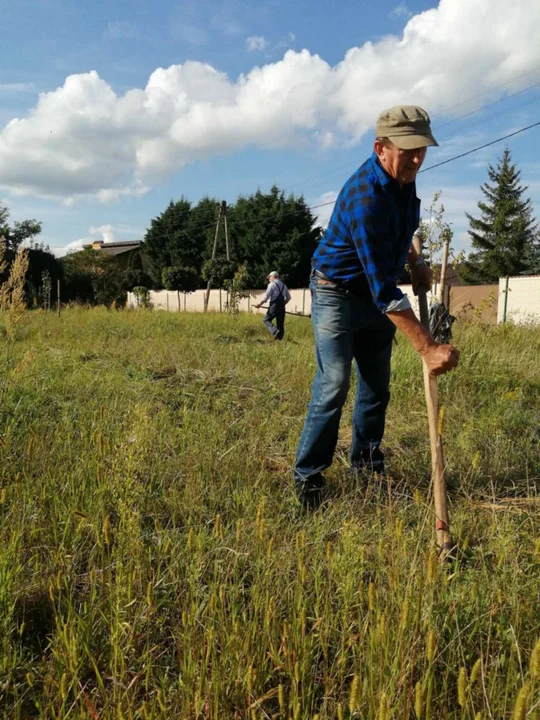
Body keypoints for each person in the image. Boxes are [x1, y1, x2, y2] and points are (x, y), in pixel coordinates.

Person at [294, 105, 460, 510]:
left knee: (376, 388)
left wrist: (416, 261)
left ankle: (367, 470)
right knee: (334, 383)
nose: (418, 159)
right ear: (380, 148)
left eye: (422, 149)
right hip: (336, 291)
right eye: (409, 150)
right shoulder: (363, 195)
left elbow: (398, 234)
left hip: (375, 294)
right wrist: (427, 347)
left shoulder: (404, 184)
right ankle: (308, 479)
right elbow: (385, 291)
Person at [254, 271, 291, 340]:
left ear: (273, 276)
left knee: (266, 320)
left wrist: (259, 304)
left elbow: (266, 297)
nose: (269, 279)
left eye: (269, 277)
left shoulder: (271, 284)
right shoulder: (284, 285)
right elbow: (288, 298)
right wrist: (282, 304)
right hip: (282, 307)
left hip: (274, 306)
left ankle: (274, 331)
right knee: (280, 324)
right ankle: (279, 340)